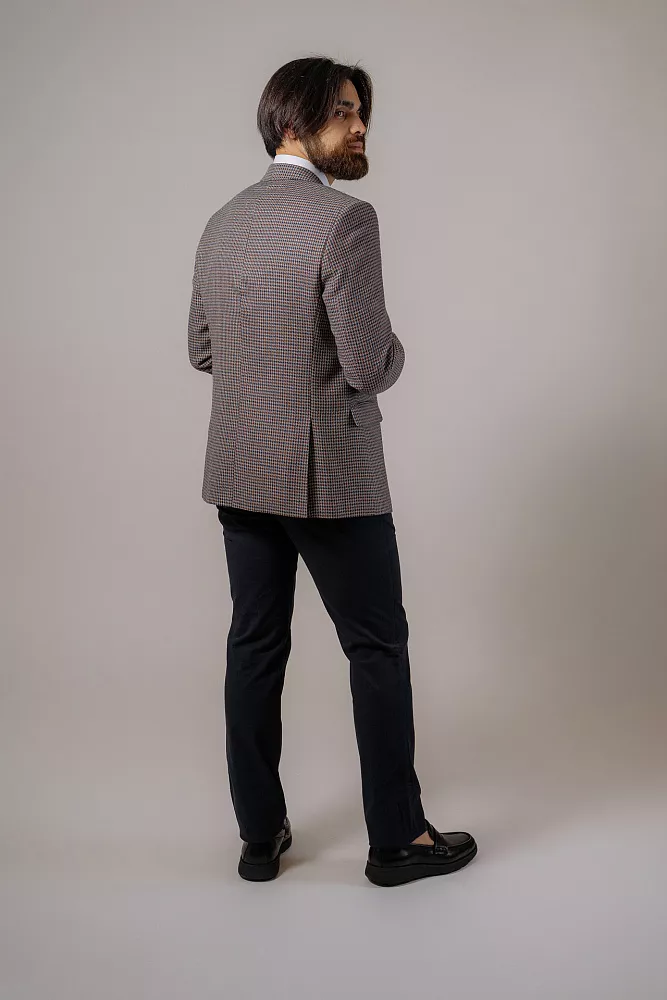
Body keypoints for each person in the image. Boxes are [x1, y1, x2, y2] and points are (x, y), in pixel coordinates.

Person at [187, 55, 478, 887]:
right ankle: (397, 839)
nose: (360, 127)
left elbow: (202, 349)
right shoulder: (346, 220)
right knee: (376, 647)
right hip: (329, 477)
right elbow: (365, 362)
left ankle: (258, 836)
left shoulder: (220, 223)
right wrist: (395, 351)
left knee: (253, 646)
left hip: (240, 469)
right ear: (292, 122)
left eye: (360, 112)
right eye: (344, 112)